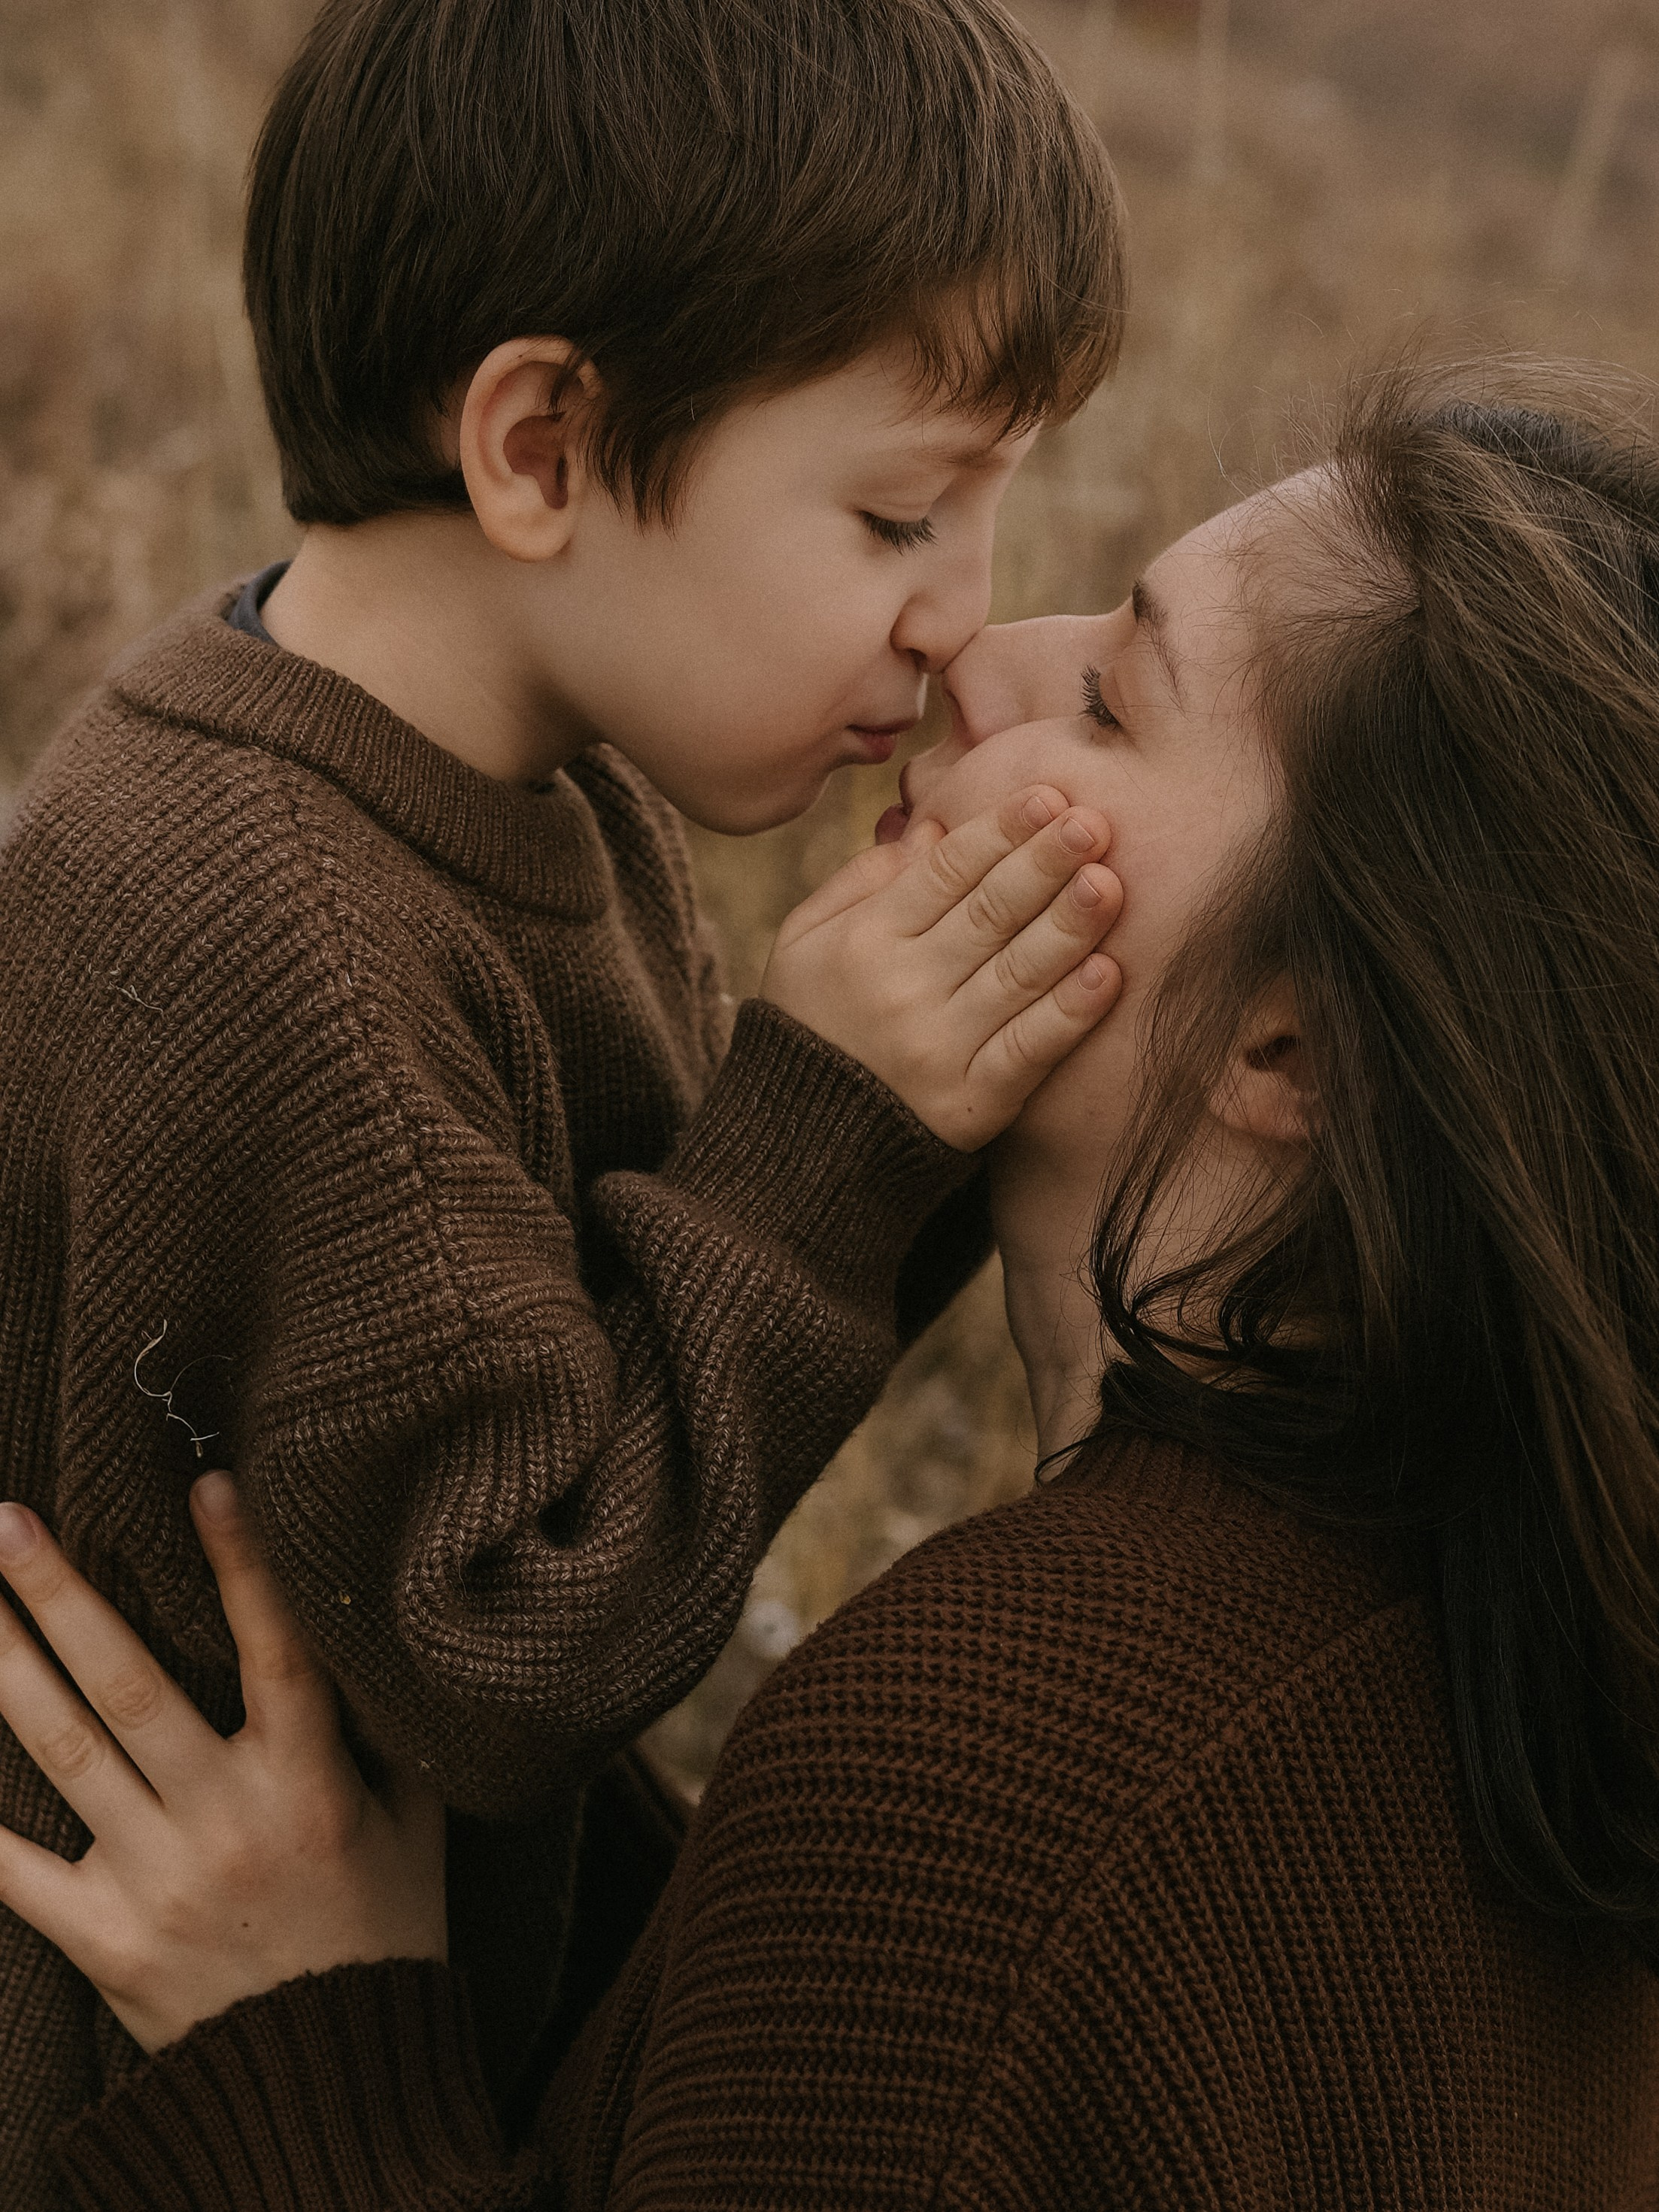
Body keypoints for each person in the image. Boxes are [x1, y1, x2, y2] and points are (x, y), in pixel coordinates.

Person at [8, 359, 1659, 2208]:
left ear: (1294, 1051)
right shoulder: (1508, 1669)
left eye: (1110, 700)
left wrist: (299, 2061)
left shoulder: (988, 1792)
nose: (978, 653)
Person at [0, 0, 1130, 2192]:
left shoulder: (529, 783)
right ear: (535, 447)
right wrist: (837, 1125)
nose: (955, 617)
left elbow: (630, 1344)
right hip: (152, 2105)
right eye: (898, 509)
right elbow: (507, 1635)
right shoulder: (242, 920)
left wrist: (925, 1092)